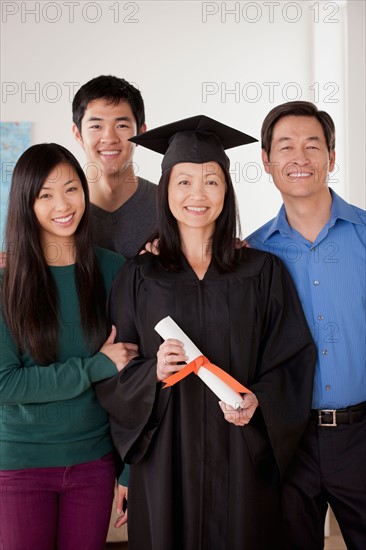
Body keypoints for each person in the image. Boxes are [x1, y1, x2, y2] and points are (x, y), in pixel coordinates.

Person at [95, 115, 316, 550]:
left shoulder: (262, 271)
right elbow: (114, 370)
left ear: (227, 191)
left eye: (211, 182)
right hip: (164, 463)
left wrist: (260, 401)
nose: (198, 195)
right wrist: (151, 373)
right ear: (166, 191)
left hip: (241, 458)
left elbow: (291, 358)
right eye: (183, 183)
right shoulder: (139, 276)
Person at [0, 143, 138, 550]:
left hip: (93, 464)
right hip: (21, 464)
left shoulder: (114, 270)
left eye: (71, 188)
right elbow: (6, 385)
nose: (63, 204)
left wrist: (128, 468)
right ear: (26, 204)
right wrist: (94, 367)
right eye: (45, 194)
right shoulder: (7, 286)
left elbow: (136, 380)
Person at [246, 101, 366, 550]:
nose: (299, 158)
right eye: (286, 147)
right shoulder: (252, 258)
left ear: (331, 158)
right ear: (266, 161)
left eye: (312, 146)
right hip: (288, 441)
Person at [72, 75, 157, 259]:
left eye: (121, 125)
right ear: (78, 134)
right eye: (96, 126)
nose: (109, 138)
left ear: (141, 133)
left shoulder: (170, 205)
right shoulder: (61, 210)